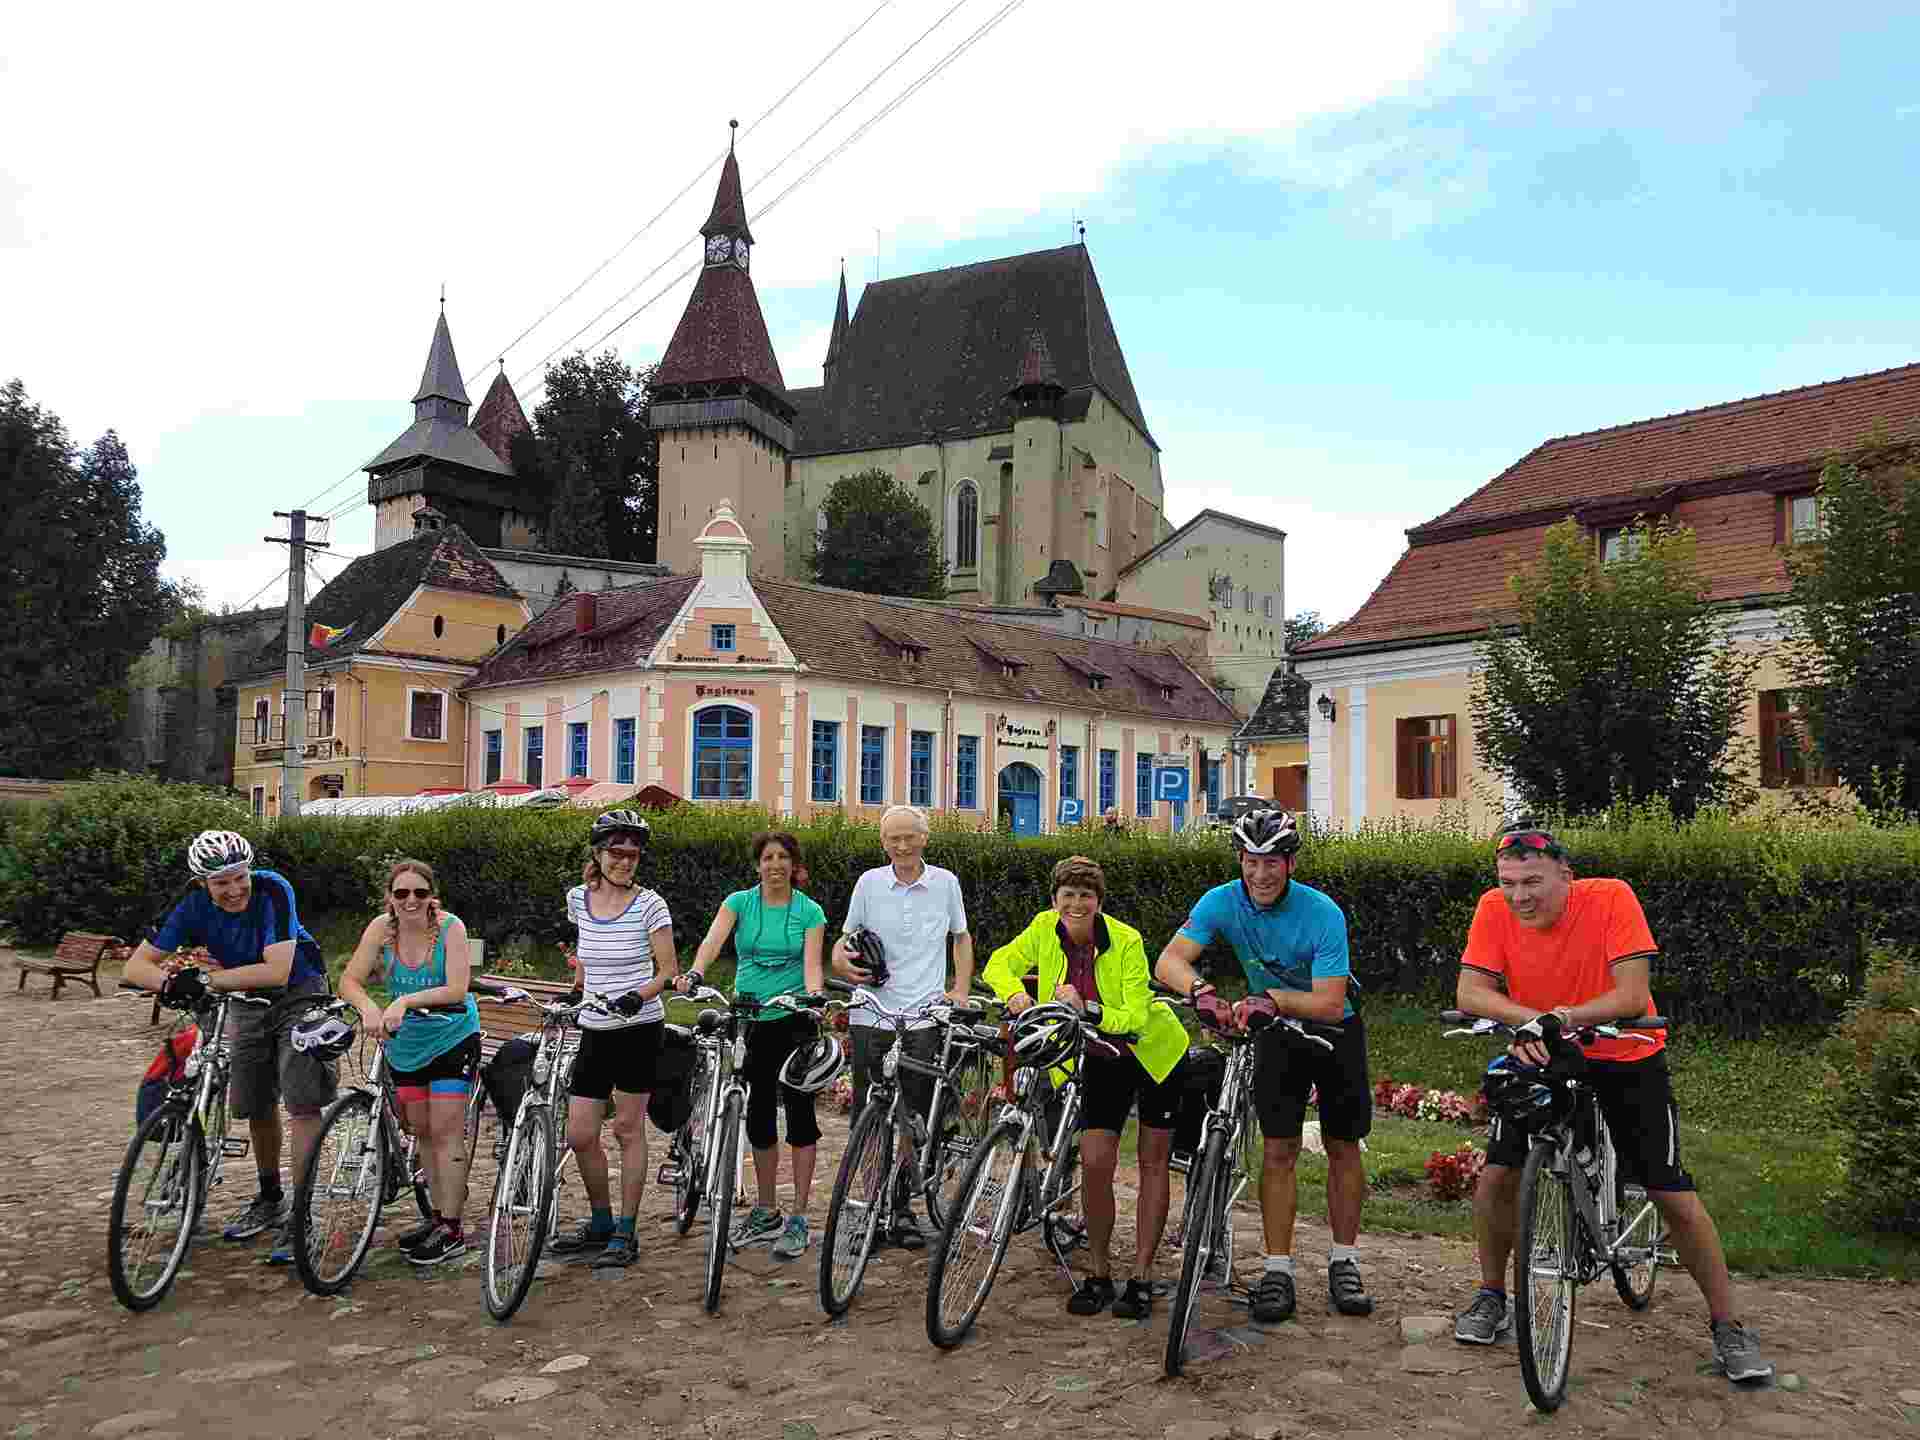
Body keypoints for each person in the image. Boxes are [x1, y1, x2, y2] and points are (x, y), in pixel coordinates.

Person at [1450, 818, 1772, 1383]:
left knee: (1668, 1189)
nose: (1519, 897)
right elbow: (1470, 991)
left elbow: (1629, 994)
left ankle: (1729, 1325)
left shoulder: (1611, 899)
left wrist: (1563, 1017)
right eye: (1509, 882)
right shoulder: (1492, 908)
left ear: (1565, 877)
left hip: (1626, 1051)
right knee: (1498, 1175)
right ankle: (1492, 1295)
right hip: (1546, 1051)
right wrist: (1536, 1025)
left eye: (1533, 883)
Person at [1154, 807, 1375, 1323]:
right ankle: (1278, 1269)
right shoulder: (1222, 900)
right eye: (1251, 861)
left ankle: (1345, 1261)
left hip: (1333, 1030)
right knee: (1278, 1148)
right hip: (1272, 1029)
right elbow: (1169, 961)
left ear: (1290, 862)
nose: (1260, 874)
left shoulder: (1322, 913)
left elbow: (1326, 1000)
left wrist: (1272, 996)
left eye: (1271, 862)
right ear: (1240, 859)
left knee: (1343, 1146)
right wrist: (1200, 990)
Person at [985, 855, 1191, 1319]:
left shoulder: (1126, 940)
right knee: (1096, 1162)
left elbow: (1136, 1014)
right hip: (1101, 1058)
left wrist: (1088, 1008)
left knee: (1152, 1163)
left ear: (1099, 902)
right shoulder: (1043, 927)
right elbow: (999, 963)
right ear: (1054, 900)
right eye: (1068, 896)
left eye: (1086, 896)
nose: (1076, 904)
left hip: (1151, 1053)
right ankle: (1098, 1273)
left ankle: (1140, 1275)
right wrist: (1013, 993)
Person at [123, 829, 337, 1266]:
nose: (235, 888)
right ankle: (270, 1196)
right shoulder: (190, 902)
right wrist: (169, 981)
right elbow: (135, 965)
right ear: (203, 882)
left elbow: (276, 970)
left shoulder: (274, 889)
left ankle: (303, 1217)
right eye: (221, 882)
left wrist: (203, 980)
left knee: (301, 1104)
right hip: (243, 998)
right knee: (255, 1105)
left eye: (239, 876)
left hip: (299, 992)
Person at [677, 830, 827, 1261]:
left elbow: (812, 964)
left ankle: (799, 1215)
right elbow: (711, 943)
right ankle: (766, 1207)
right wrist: (696, 973)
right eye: (767, 857)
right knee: (759, 1113)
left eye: (782, 857)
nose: (775, 864)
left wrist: (814, 999)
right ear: (757, 863)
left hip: (794, 1017)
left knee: (800, 1115)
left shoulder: (809, 911)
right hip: (751, 1018)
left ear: (793, 865)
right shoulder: (739, 903)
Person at [831, 804, 975, 1249]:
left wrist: (961, 989)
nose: (902, 845)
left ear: (924, 838)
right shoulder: (869, 884)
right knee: (871, 1119)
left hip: (924, 1015)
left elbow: (961, 938)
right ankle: (868, 1211)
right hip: (871, 1011)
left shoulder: (945, 883)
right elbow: (844, 939)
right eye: (893, 838)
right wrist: (842, 965)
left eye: (909, 836)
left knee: (912, 1118)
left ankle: (901, 1209)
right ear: (883, 842)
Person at [548, 809, 677, 1269]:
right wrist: (578, 984)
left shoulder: (650, 904)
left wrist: (635, 997)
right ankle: (600, 1220)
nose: (625, 861)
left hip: (638, 1028)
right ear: (598, 854)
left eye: (633, 854)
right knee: (580, 1133)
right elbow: (585, 953)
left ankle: (626, 1229)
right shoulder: (578, 899)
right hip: (594, 1028)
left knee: (626, 1129)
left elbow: (667, 971)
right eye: (616, 852)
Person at [337, 858, 477, 1265]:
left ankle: (452, 1227)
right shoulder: (382, 928)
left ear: (432, 896)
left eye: (419, 892)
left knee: (448, 1129)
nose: (410, 900)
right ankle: (436, 1217)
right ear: (390, 897)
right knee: (424, 1131)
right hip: (406, 1043)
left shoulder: (451, 928)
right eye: (402, 893)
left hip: (452, 1035)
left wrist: (403, 999)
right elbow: (349, 979)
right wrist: (367, 1007)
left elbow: (456, 988)